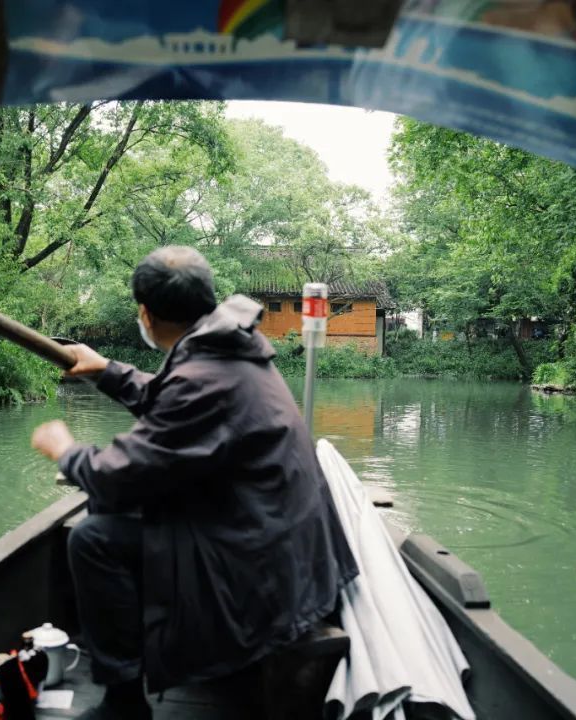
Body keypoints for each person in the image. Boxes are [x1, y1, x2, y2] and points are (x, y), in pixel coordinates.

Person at [30, 246, 358, 720]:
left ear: (145, 312)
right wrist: (107, 371)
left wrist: (65, 448)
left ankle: (123, 704)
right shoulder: (228, 352)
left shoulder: (206, 372)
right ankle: (148, 656)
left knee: (94, 538)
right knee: (111, 518)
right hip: (277, 552)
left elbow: (116, 477)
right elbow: (172, 400)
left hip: (261, 576)